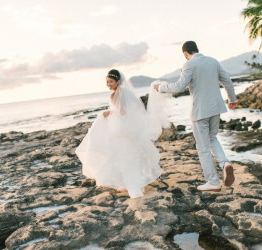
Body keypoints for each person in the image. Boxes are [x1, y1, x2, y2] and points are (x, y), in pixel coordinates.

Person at [154, 41, 237, 192]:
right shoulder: (213, 61)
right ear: (197, 49)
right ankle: (225, 164)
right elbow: (227, 80)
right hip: (215, 108)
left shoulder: (189, 64)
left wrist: (160, 87)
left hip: (200, 112)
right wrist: (232, 100)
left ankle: (213, 182)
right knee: (212, 138)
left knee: (203, 148)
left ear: (185, 53)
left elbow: (179, 86)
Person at [75, 69, 168, 198]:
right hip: (130, 131)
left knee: (124, 158)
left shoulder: (114, 95)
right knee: (131, 157)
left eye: (111, 81)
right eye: (107, 82)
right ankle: (134, 183)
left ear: (118, 81)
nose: (109, 84)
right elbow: (133, 110)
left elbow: (122, 112)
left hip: (120, 131)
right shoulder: (127, 93)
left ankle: (132, 188)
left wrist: (109, 113)